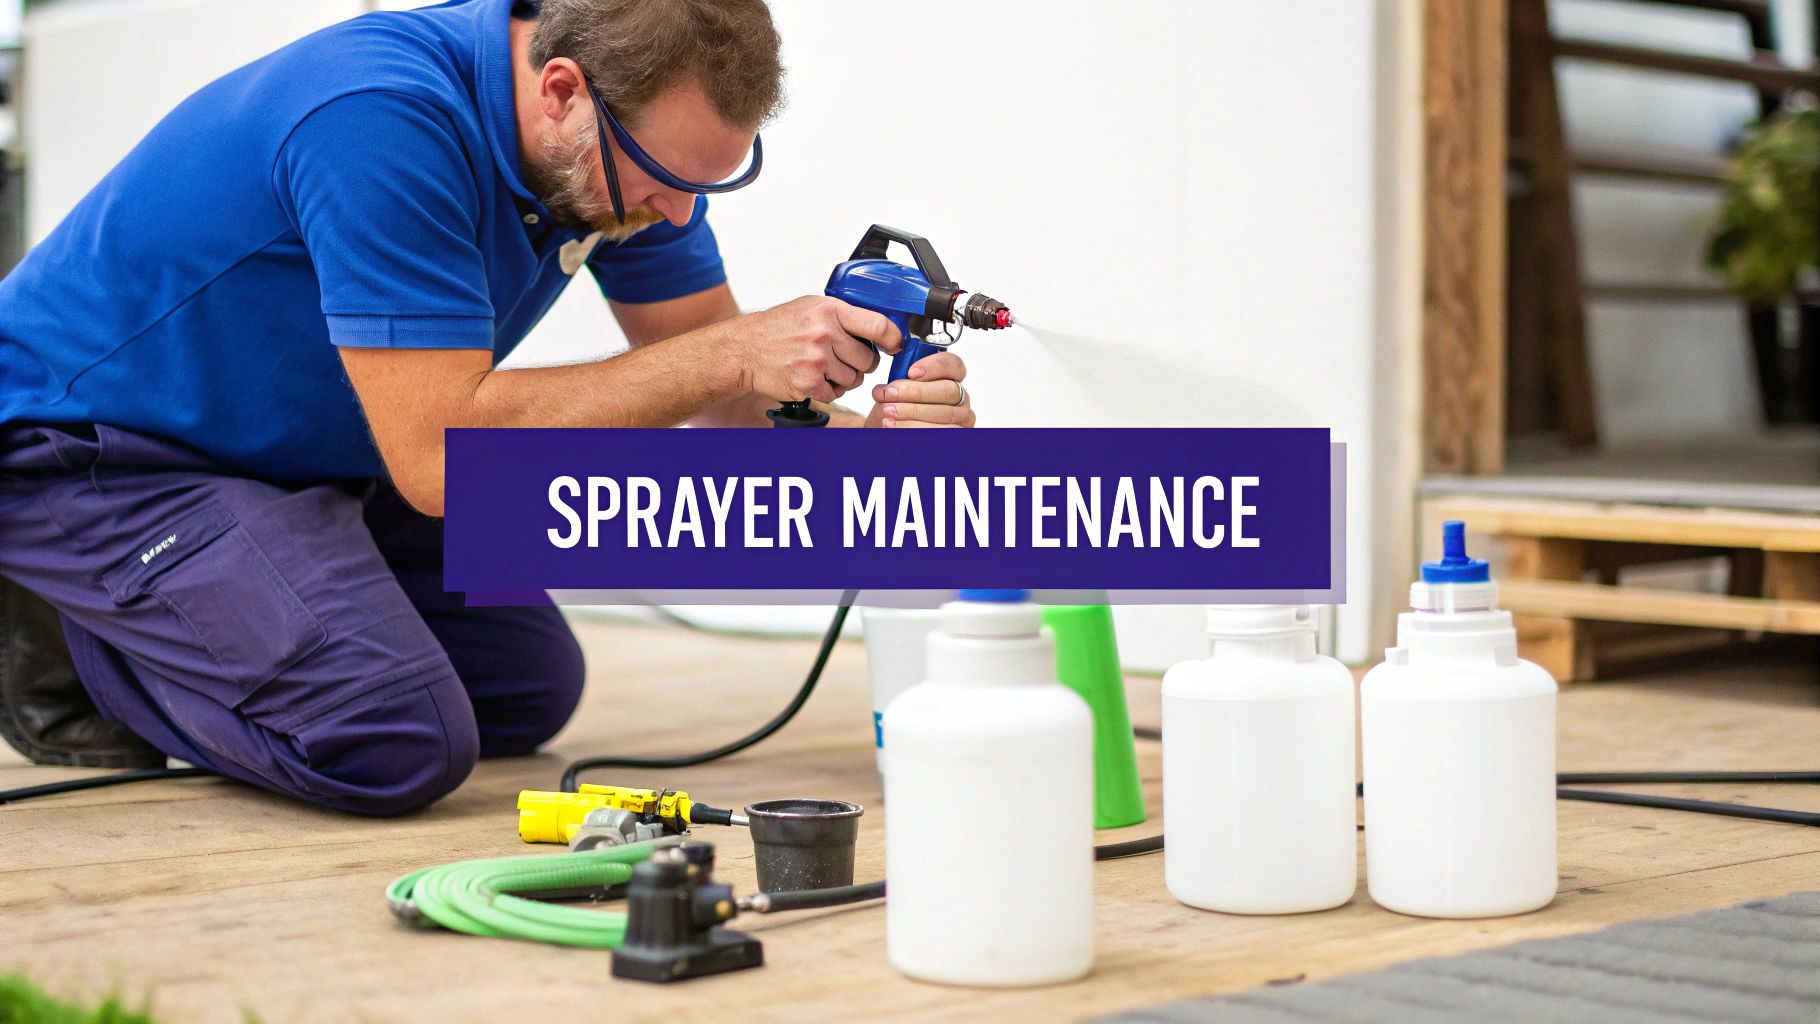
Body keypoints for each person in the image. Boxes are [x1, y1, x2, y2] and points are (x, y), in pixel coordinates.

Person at [0, 0, 974, 814]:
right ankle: (77, 635)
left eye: (710, 180)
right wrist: (731, 352)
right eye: (672, 180)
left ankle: (215, 594)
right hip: (97, 452)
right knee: (390, 737)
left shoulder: (625, 152)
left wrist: (876, 453)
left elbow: (724, 409)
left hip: (303, 455)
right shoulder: (377, 120)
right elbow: (437, 461)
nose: (681, 214)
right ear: (561, 91)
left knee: (524, 685)